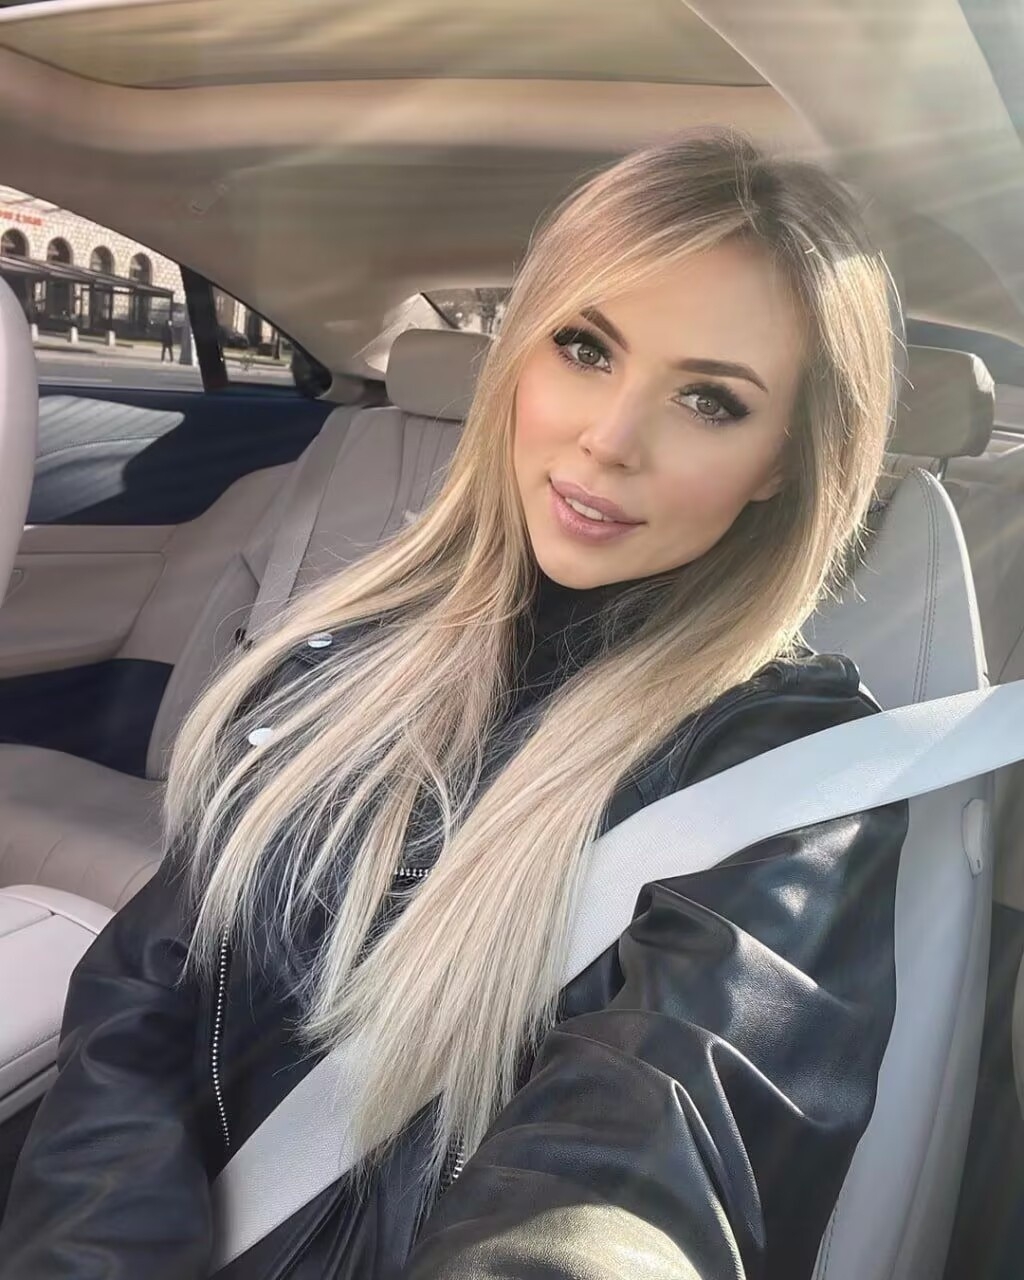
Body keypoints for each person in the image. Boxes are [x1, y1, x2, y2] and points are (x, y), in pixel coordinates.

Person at [0, 131, 909, 1280]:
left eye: (708, 400)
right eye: (584, 347)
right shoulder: (347, 646)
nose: (609, 438)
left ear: (782, 460)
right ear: (519, 353)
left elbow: (637, 1169)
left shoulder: (785, 768)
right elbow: (145, 996)